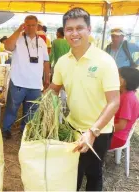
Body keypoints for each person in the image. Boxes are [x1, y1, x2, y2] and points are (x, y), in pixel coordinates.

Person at [48, 8, 120, 191]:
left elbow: (114, 102)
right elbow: (54, 89)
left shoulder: (105, 61)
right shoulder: (63, 62)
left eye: (79, 28)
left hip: (99, 131)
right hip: (72, 127)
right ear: (64, 33)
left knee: (93, 174)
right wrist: (44, 104)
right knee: (72, 172)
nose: (74, 33)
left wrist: (92, 132)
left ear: (89, 29)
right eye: (69, 29)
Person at [2, 15, 50, 139]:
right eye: (27, 25)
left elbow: (46, 61)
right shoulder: (18, 38)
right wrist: (18, 30)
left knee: (32, 110)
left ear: (37, 26)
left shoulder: (42, 42)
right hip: (18, 81)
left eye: (33, 25)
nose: (30, 27)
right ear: (24, 25)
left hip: (35, 84)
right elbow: (7, 46)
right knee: (12, 108)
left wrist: (46, 78)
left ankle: (26, 130)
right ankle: (6, 129)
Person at [110, 67, 139, 149]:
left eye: (116, 75)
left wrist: (101, 129)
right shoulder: (124, 93)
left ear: (123, 81)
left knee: (86, 140)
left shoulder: (128, 98)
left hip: (117, 137)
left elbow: (121, 126)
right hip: (114, 133)